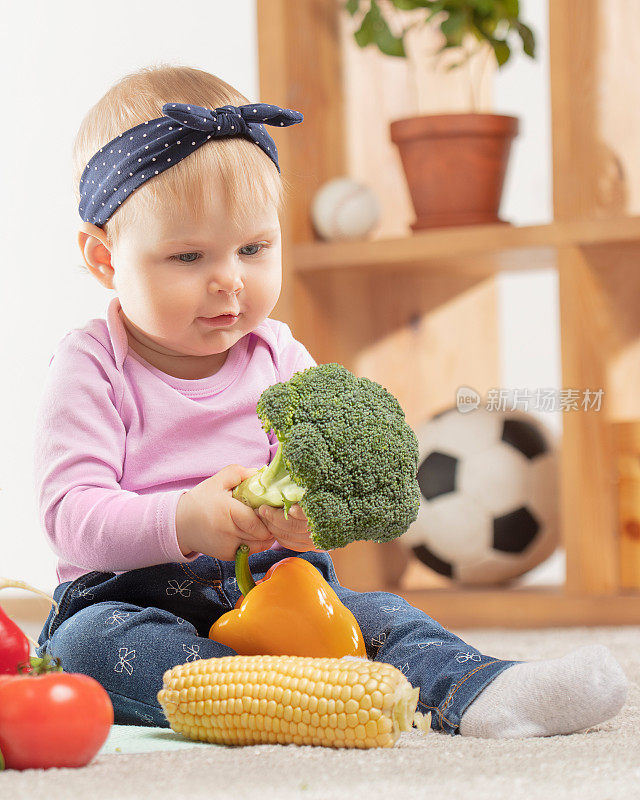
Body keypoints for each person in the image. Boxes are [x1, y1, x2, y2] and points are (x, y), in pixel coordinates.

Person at [34, 64, 628, 738]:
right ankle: (266, 695)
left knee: (384, 615)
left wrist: (304, 523)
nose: (230, 281)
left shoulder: (280, 356)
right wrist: (187, 520)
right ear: (105, 259)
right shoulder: (93, 364)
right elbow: (70, 516)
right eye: (188, 257)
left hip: (279, 586)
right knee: (83, 648)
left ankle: (482, 688)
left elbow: (324, 489)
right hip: (128, 598)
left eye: (255, 247)